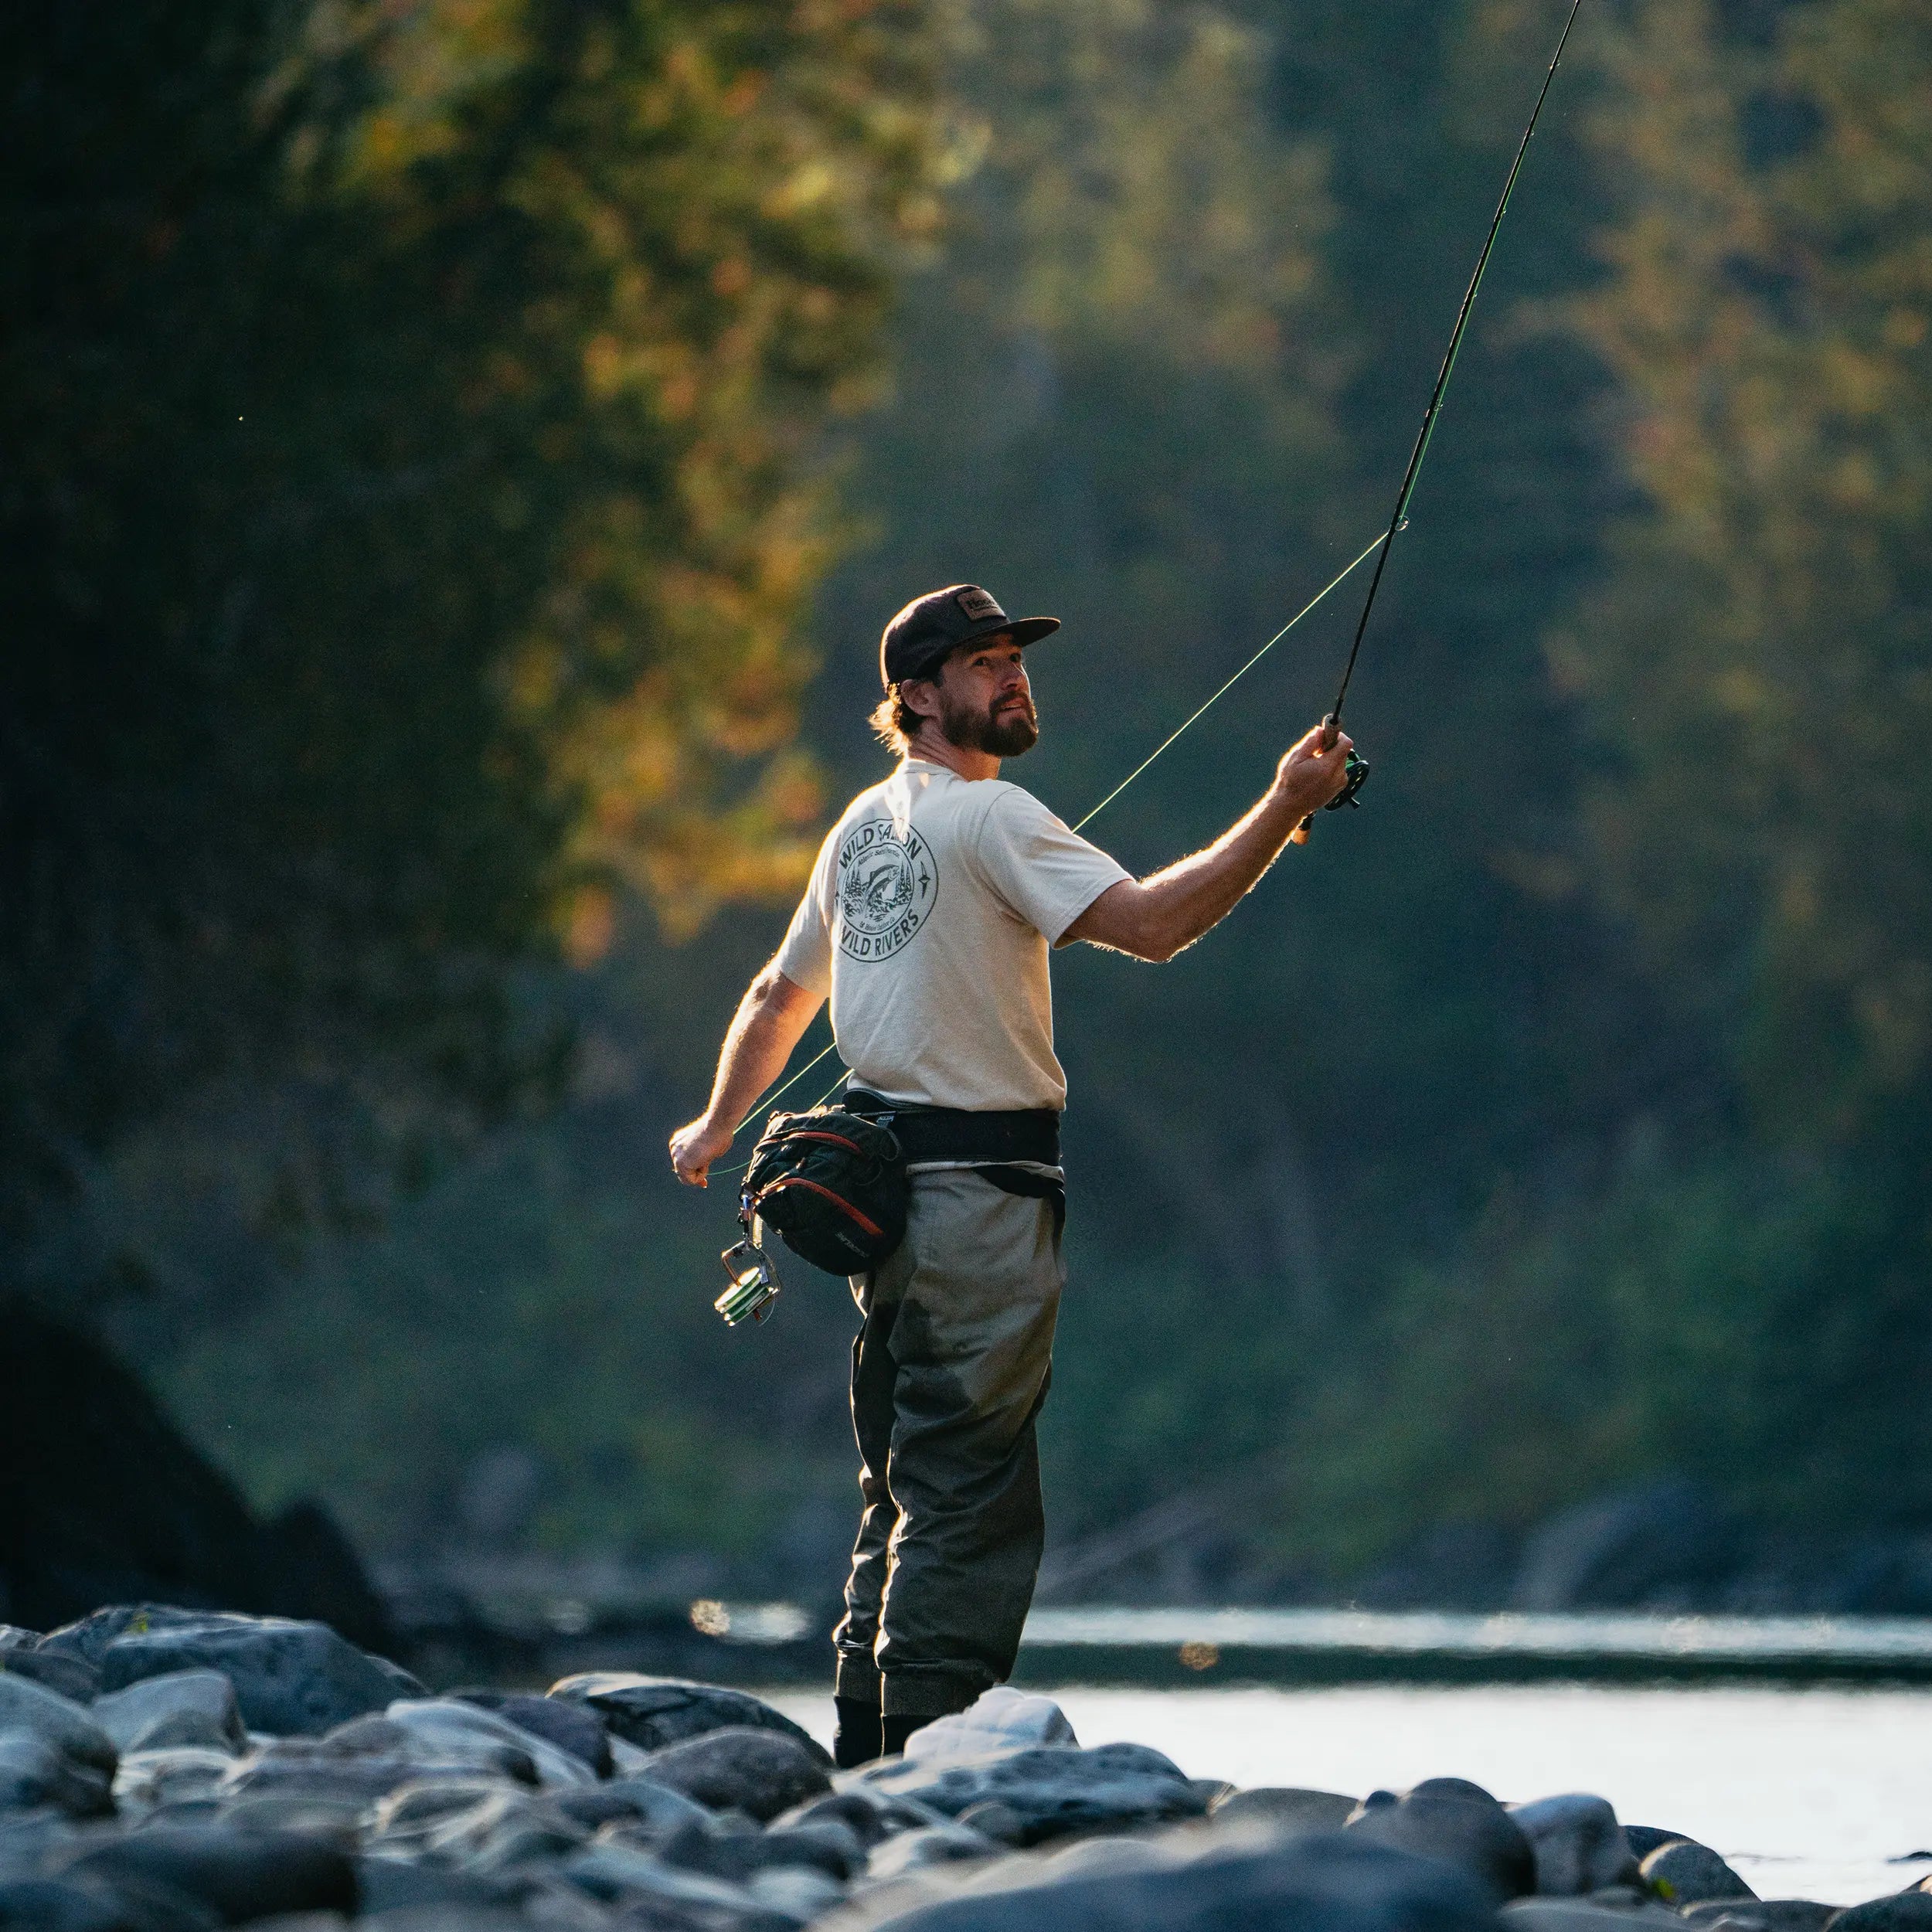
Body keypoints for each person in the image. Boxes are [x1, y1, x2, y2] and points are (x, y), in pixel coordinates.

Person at [669, 583, 1355, 1764]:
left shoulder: (864, 828)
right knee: (969, 1498)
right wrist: (1286, 803)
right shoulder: (991, 821)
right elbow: (1153, 925)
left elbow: (780, 995)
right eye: (982, 664)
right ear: (918, 696)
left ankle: (863, 1768)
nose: (1012, 679)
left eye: (1013, 660)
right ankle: (929, 1777)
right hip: (978, 1211)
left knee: (902, 1489)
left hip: (885, 1221)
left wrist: (717, 1123)